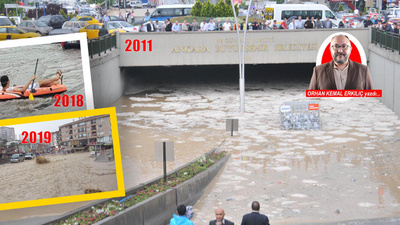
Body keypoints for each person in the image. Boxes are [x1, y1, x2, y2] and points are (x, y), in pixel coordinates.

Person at [309, 35, 373, 90]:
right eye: (336, 46)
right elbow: (311, 100)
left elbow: (371, 99)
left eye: (344, 46)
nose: (340, 50)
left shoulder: (363, 70)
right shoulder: (318, 71)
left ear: (350, 49)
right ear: (330, 49)